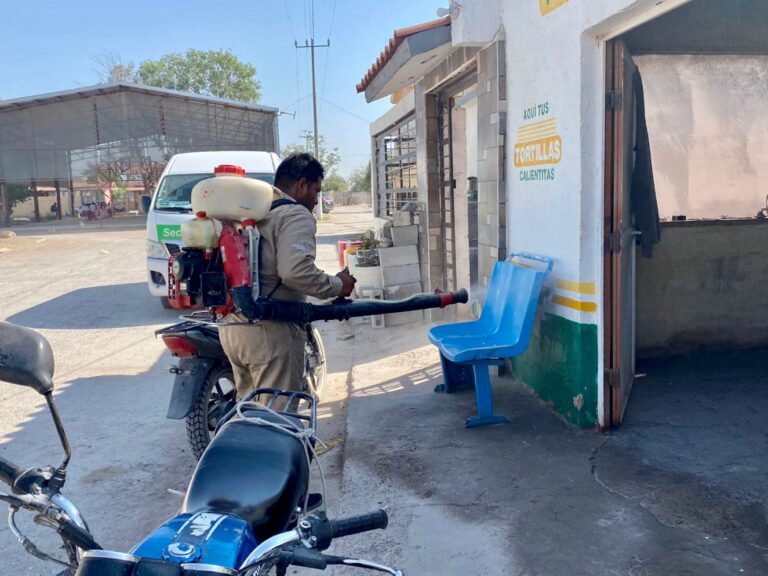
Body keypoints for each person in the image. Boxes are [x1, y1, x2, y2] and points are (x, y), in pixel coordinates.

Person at [219, 153, 356, 406]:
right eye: (316, 191)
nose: (316, 201)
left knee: (249, 413)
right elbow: (295, 272)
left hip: (232, 328)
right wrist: (338, 285)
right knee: (277, 419)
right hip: (270, 332)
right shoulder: (294, 214)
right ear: (301, 184)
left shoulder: (251, 211)